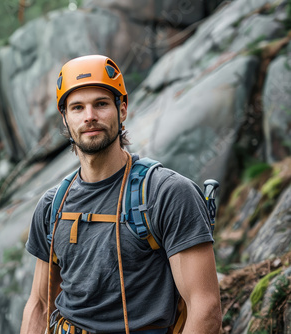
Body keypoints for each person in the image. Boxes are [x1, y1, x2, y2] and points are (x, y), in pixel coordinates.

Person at [20, 55, 222, 334]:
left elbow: (205, 308)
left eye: (101, 104)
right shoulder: (52, 205)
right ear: (65, 119)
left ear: (122, 109)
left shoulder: (166, 193)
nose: (89, 116)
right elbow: (40, 305)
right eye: (77, 107)